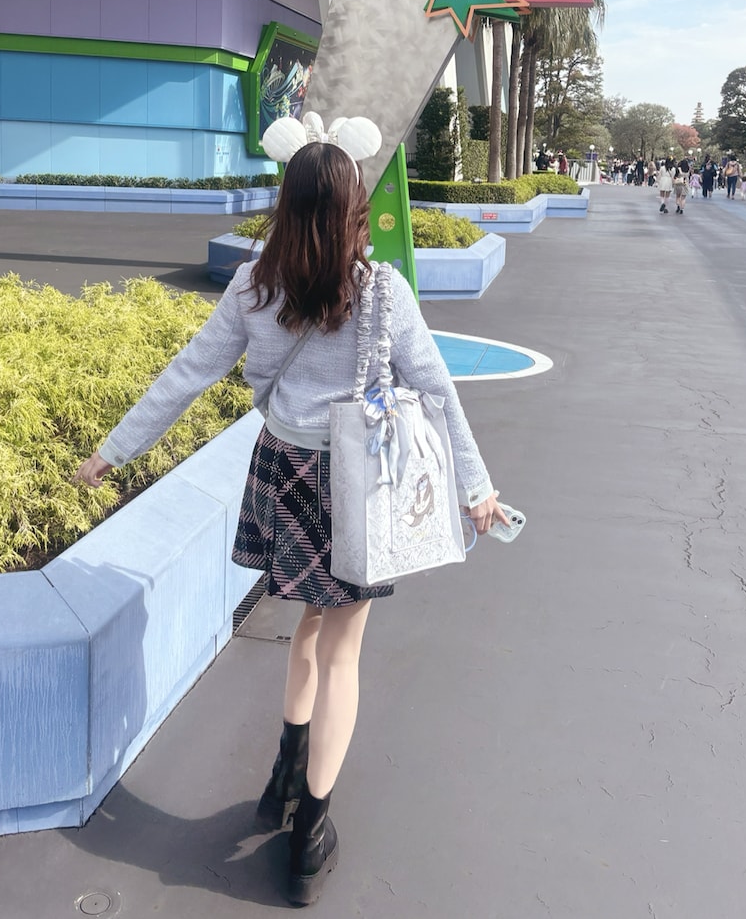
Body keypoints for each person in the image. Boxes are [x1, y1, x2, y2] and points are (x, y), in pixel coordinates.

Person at [73, 112, 508, 906]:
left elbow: (188, 374)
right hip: (355, 483)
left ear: (285, 204)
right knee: (342, 647)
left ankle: (287, 763)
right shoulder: (382, 292)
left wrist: (114, 451)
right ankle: (310, 830)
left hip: (283, 472)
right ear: (353, 212)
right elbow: (436, 391)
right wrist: (474, 487)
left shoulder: (253, 286)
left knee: (309, 619)